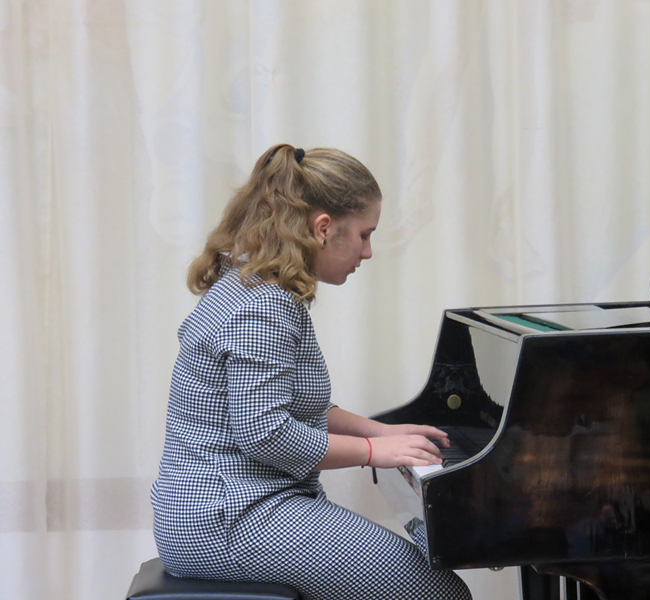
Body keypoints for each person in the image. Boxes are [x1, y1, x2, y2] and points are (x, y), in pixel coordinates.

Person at [151, 143, 472, 600]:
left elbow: (297, 407)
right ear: (323, 229)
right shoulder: (263, 307)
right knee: (439, 593)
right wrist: (372, 451)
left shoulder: (256, 285)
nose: (368, 251)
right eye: (363, 234)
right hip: (228, 517)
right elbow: (265, 433)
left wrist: (380, 431)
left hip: (234, 506)